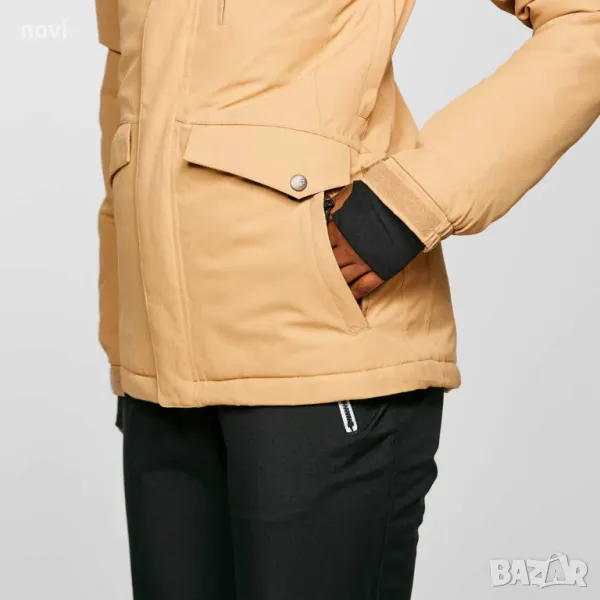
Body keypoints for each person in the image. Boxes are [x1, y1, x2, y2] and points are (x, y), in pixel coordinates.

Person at [94, 1, 600, 598]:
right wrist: (130, 338)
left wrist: (411, 203)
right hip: (161, 387)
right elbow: (129, 93)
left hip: (323, 361)